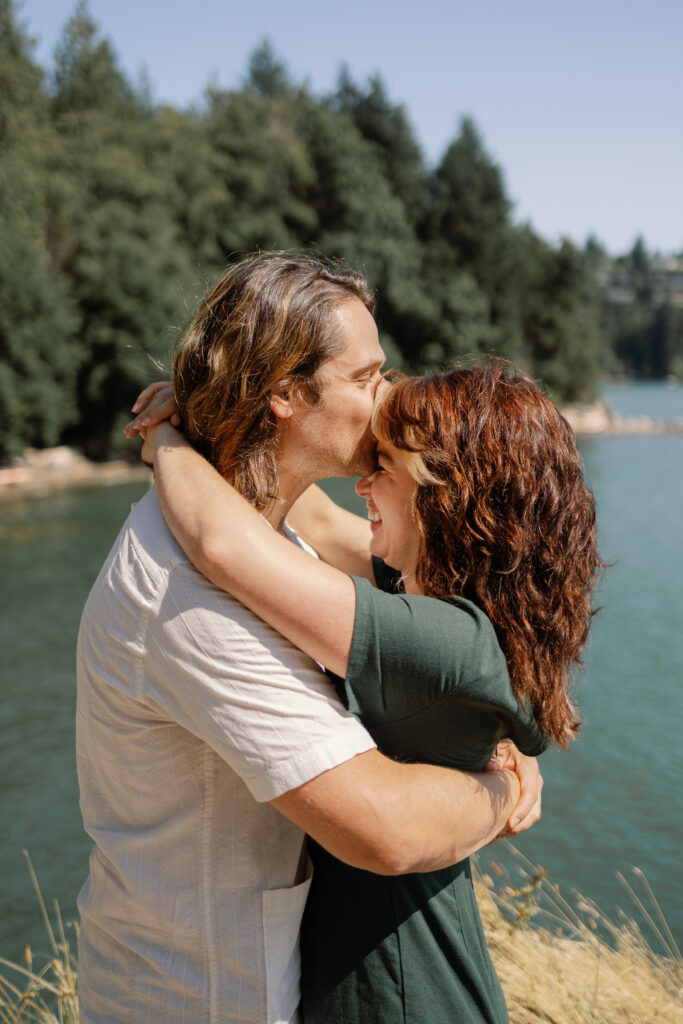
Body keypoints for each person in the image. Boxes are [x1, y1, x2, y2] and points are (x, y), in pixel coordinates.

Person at [77, 252, 541, 1024]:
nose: (387, 398)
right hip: (198, 1003)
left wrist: (174, 436)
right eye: (366, 378)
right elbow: (387, 831)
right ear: (285, 395)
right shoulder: (189, 602)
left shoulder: (272, 524)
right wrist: (502, 793)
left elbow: (402, 567)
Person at [139, 360, 602, 1024]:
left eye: (384, 468)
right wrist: (215, 413)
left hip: (401, 994)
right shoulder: (451, 600)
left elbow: (223, 546)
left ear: (446, 497)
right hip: (412, 973)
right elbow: (318, 522)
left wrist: (164, 440)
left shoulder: (447, 639)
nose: (362, 483)